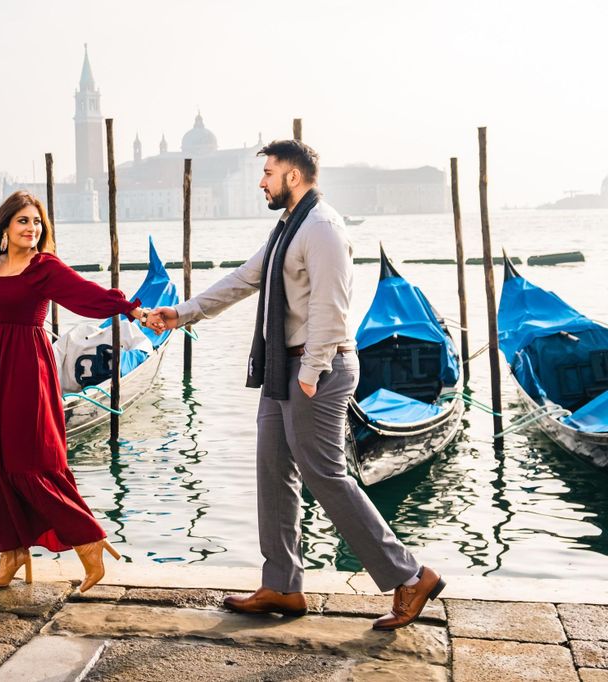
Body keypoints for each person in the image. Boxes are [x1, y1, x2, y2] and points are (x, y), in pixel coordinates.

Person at [145, 140, 444, 631]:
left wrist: (309, 373)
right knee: (272, 470)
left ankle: (410, 576)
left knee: (325, 476)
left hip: (317, 369)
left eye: (268, 172)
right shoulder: (289, 226)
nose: (261, 181)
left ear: (295, 177)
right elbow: (245, 279)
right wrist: (179, 314)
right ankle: (282, 585)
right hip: (282, 369)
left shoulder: (322, 228)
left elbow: (332, 308)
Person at [0, 190, 149, 592]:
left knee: (30, 460)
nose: (31, 228)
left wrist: (131, 310)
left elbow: (87, 295)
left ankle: (88, 540)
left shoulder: (44, 268)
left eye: (37, 222)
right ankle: (13, 553)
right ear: (5, 226)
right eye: (23, 221)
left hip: (27, 368)